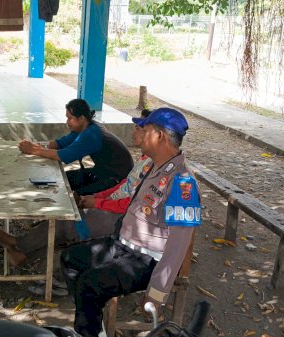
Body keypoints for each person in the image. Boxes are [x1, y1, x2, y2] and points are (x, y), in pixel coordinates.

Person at [60, 107, 202, 337]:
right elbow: (125, 195)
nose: (138, 134)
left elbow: (178, 245)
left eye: (144, 130)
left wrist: (157, 291)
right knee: (70, 259)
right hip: (123, 244)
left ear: (160, 136)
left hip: (147, 260)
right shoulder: (150, 165)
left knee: (89, 284)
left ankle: (89, 327)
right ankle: (93, 326)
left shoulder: (182, 183)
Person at [0, 110, 152, 273]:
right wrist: (96, 197)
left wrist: (97, 202)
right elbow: (125, 185)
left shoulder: (154, 167)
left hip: (122, 216)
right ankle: (25, 251)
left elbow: (130, 203)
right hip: (110, 192)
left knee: (67, 218)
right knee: (68, 201)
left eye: (139, 128)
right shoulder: (145, 159)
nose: (134, 131)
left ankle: (21, 246)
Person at [18, 98, 134, 196]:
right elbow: (59, 143)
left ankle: (73, 220)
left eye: (70, 118)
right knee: (59, 180)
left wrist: (33, 150)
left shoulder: (92, 135)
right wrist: (36, 145)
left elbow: (62, 155)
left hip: (117, 179)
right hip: (103, 172)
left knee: (74, 196)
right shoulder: (84, 128)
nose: (67, 122)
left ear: (81, 118)